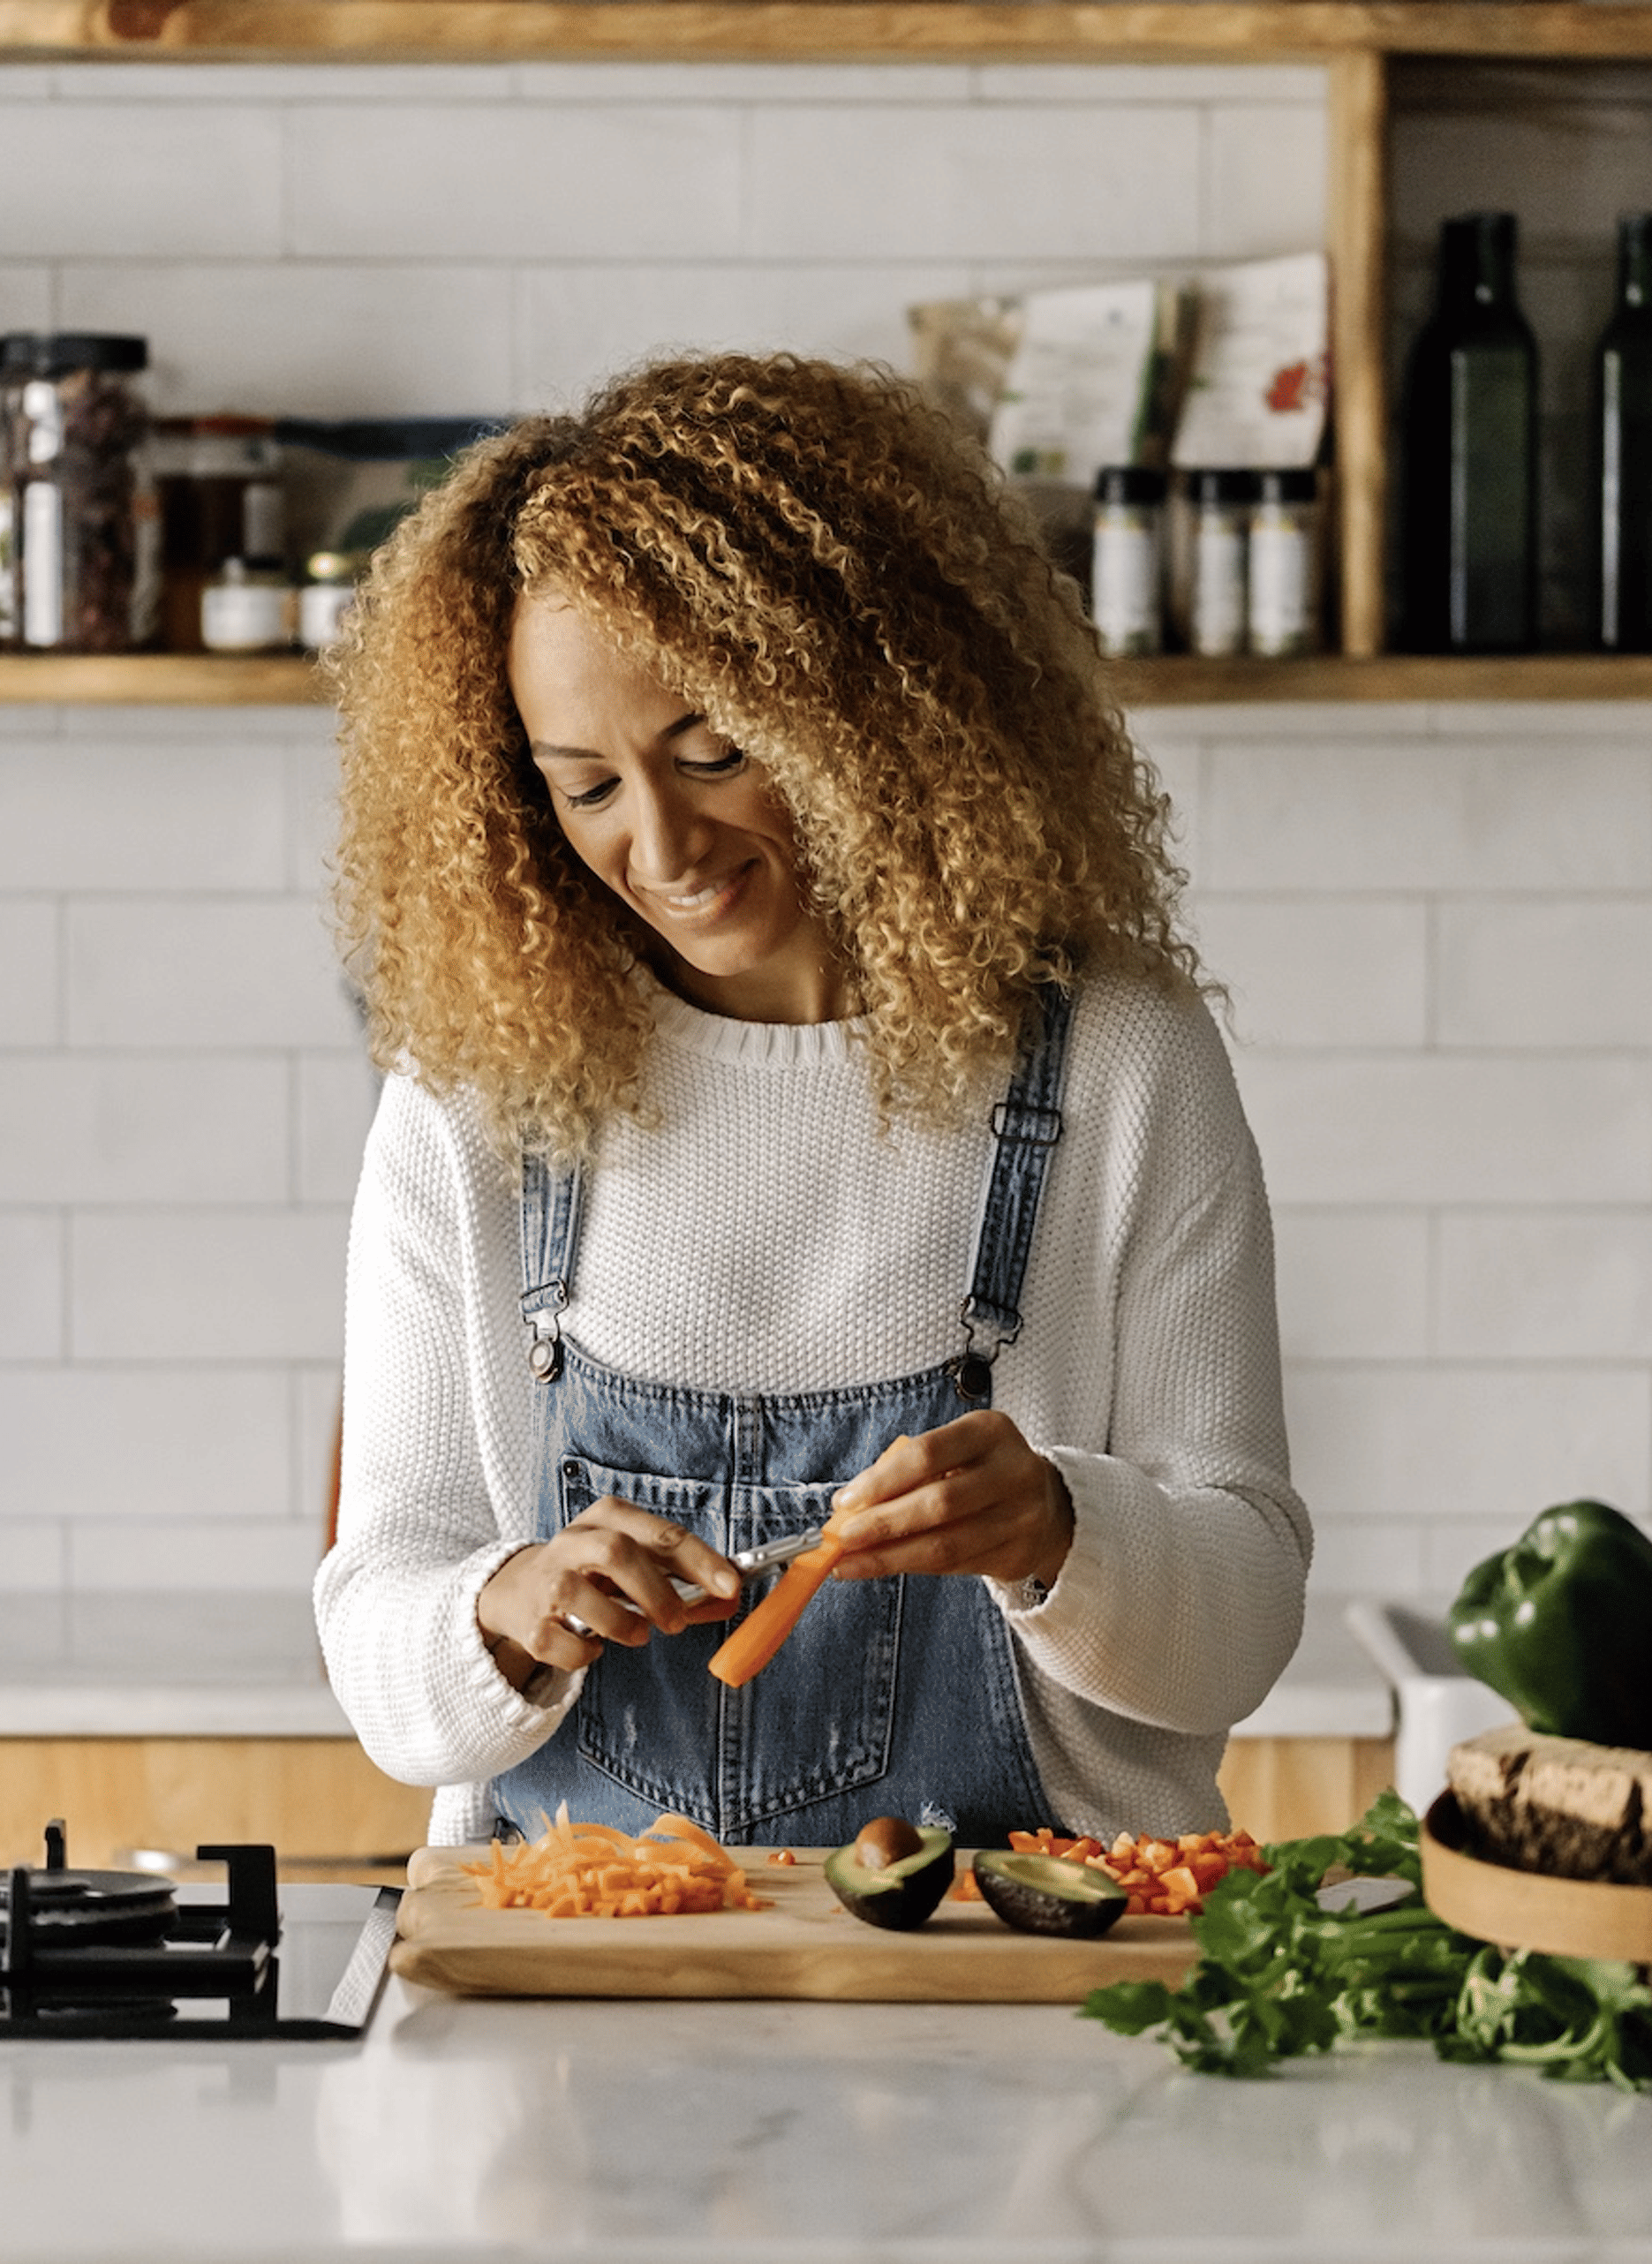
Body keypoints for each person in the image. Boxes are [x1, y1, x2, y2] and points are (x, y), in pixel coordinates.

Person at [313, 354, 1307, 1850]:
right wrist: (502, 1612)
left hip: (1012, 1992)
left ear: (870, 712)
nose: (660, 845)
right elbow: (380, 1630)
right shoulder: (477, 1098)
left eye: (712, 752)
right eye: (584, 786)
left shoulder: (1113, 1059)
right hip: (574, 1999)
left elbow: (1246, 1612)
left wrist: (1061, 1534)